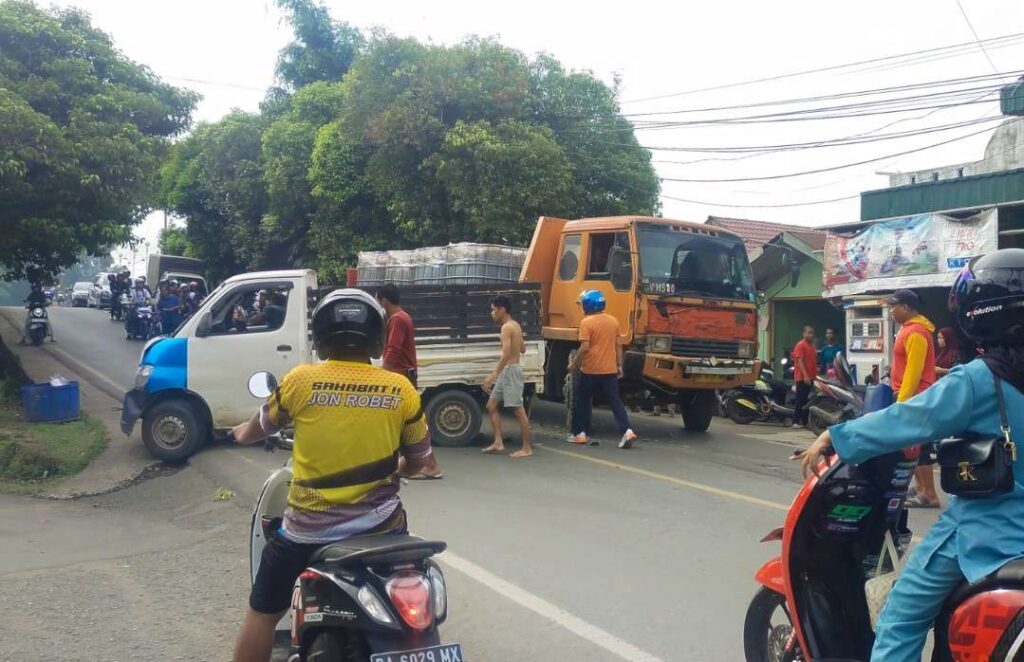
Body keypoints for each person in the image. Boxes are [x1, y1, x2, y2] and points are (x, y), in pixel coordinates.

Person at [799, 249, 1024, 662]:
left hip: (989, 530)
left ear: (979, 313)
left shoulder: (979, 379)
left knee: (900, 616)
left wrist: (837, 435)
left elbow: (912, 416)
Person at [229, 289, 434, 662]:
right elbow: (422, 460)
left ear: (321, 335)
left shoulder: (300, 381)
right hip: (382, 532)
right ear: (375, 336)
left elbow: (258, 426)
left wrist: (239, 433)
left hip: (306, 534)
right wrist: (399, 470)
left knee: (262, 612)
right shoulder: (400, 388)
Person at [378, 283, 443, 478]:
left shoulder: (397, 319)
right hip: (405, 375)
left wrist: (382, 374)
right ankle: (415, 461)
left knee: (410, 423)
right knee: (407, 422)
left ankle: (430, 465)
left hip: (401, 376)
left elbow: (393, 350)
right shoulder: (403, 317)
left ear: (384, 301)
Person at [885, 289, 940, 509]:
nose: (891, 311)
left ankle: (930, 494)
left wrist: (903, 401)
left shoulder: (916, 332)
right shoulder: (909, 330)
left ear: (906, 307)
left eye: (893, 306)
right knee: (911, 446)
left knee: (920, 446)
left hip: (915, 396)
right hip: (910, 395)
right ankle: (920, 489)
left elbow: (914, 372)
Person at [568, 290, 636, 449]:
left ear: (588, 305)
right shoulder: (613, 321)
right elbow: (618, 345)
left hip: (591, 370)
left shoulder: (587, 322)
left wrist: (574, 364)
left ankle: (579, 434)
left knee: (582, 400)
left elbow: (584, 347)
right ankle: (627, 431)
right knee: (615, 401)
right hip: (610, 370)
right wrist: (619, 365)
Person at [482, 295, 533, 458]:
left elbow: (505, 355)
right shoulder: (515, 325)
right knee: (491, 405)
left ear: (502, 309)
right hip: (509, 371)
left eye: (493, 310)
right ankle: (498, 442)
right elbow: (523, 349)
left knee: (518, 409)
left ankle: (527, 448)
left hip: (511, 371)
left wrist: (493, 375)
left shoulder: (506, 328)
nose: (492, 314)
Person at [790, 326, 817, 429]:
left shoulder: (811, 346)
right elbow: (800, 361)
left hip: (810, 377)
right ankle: (795, 421)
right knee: (800, 400)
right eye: (808, 333)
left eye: (812, 333)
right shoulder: (801, 345)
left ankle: (805, 422)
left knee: (807, 401)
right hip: (802, 377)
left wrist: (814, 376)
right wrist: (805, 375)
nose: (810, 335)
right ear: (803, 334)